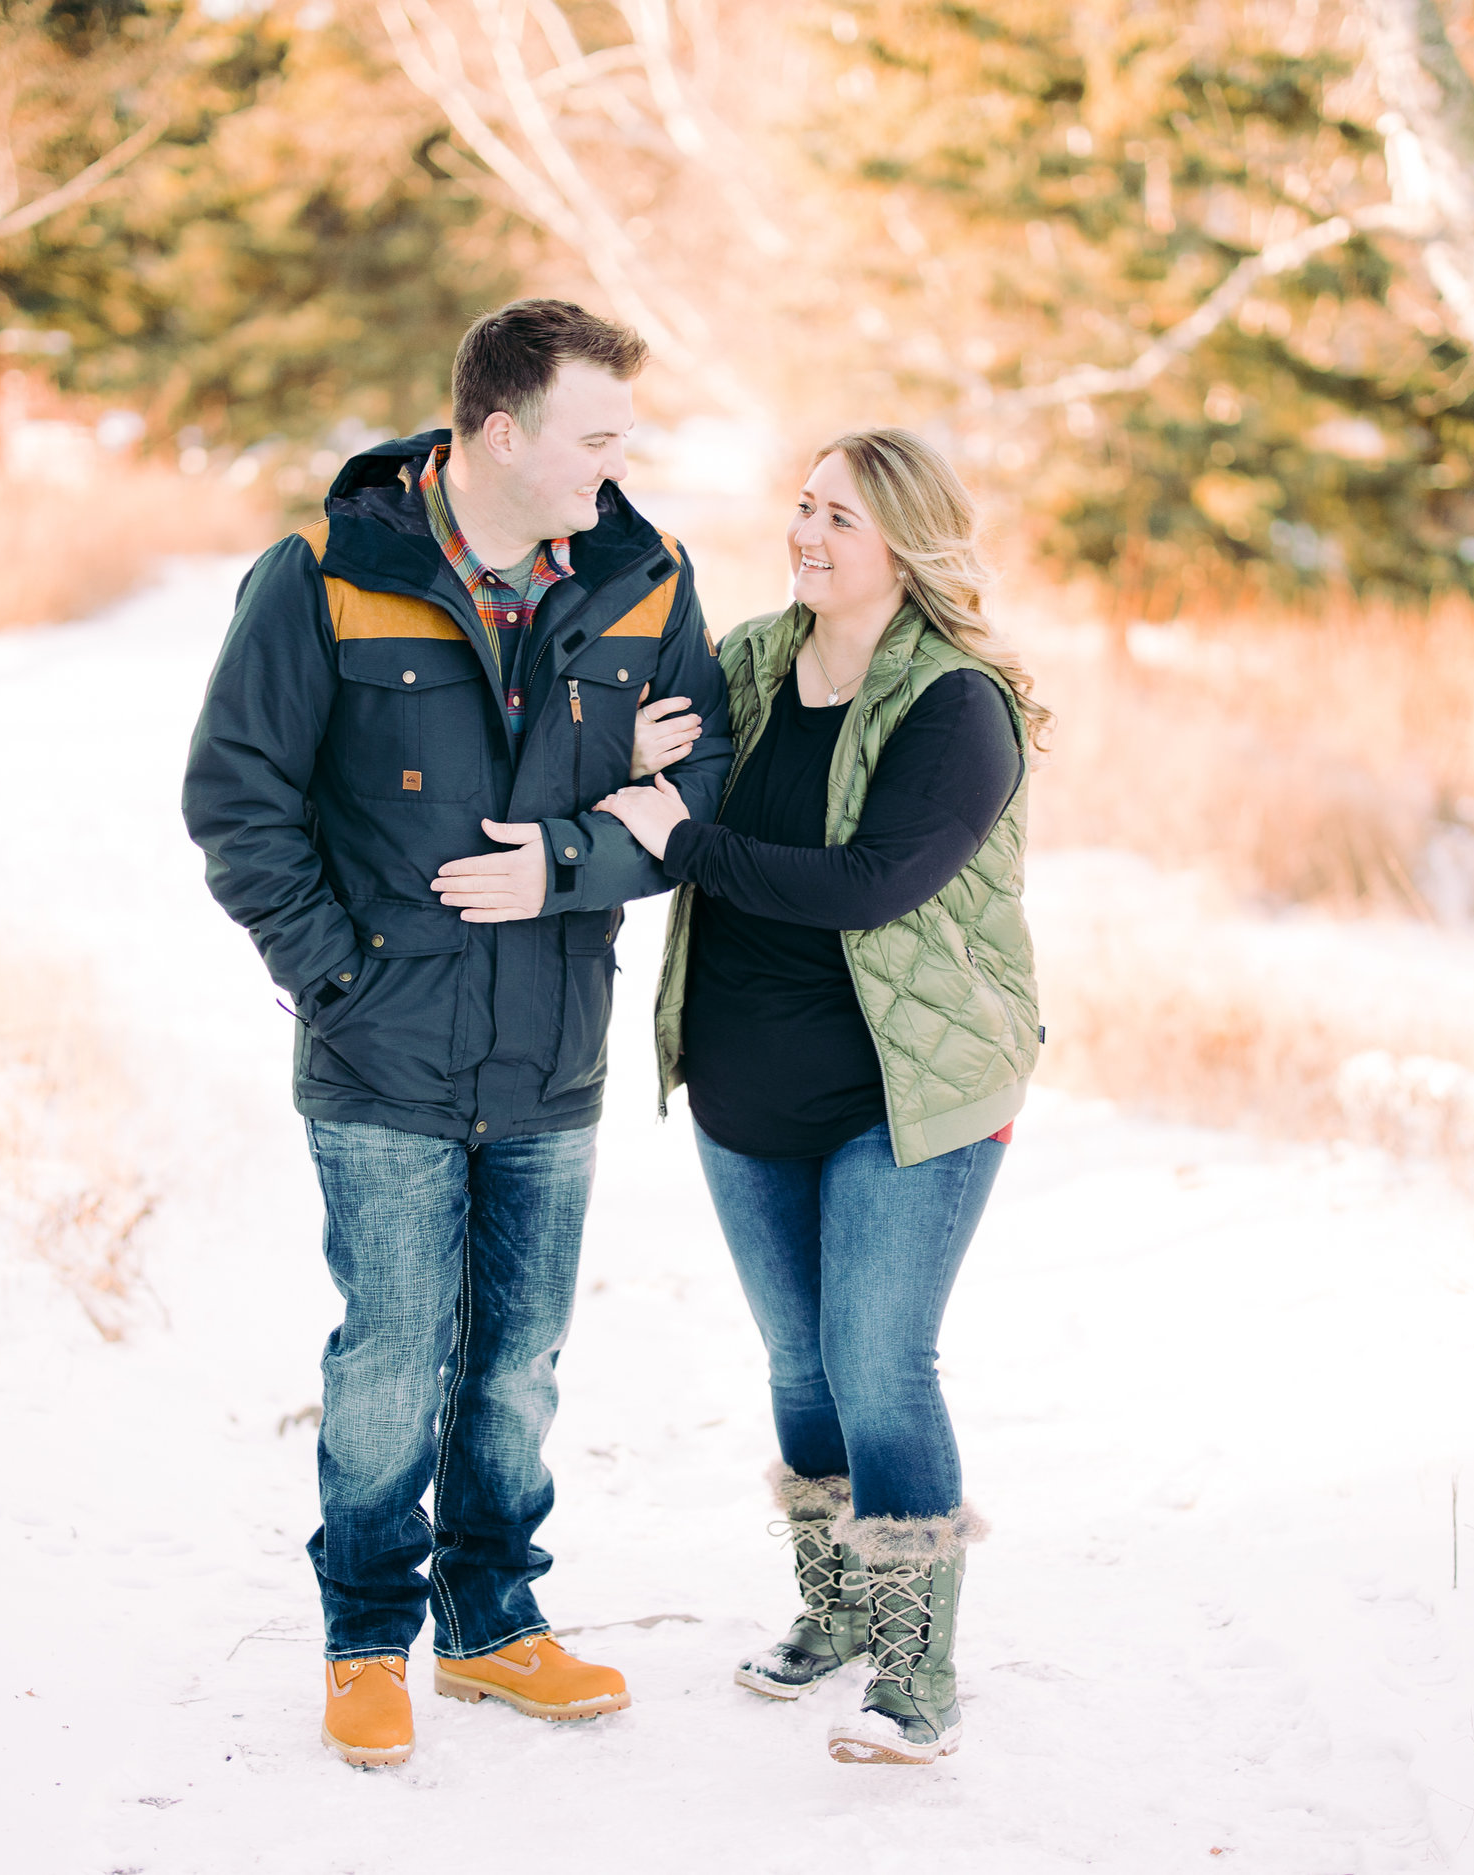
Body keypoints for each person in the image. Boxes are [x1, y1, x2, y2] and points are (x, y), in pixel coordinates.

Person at [183, 299, 732, 1769]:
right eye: (595, 435)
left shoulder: (641, 576)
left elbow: (705, 788)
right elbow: (236, 799)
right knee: (393, 1354)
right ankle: (367, 1641)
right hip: (381, 1052)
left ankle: (495, 1630)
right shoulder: (323, 578)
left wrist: (573, 861)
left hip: (553, 1045)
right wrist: (336, 979)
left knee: (519, 1365)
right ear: (500, 432)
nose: (621, 462)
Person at [596, 427, 1045, 1767]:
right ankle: (837, 1612)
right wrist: (631, 754)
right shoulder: (746, 662)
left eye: (839, 517)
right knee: (800, 1366)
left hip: (906, 1099)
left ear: (906, 543)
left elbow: (871, 884)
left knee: (879, 1366)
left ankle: (917, 1667)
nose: (807, 534)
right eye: (803, 507)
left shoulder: (957, 704)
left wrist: (686, 838)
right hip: (743, 1087)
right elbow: (646, 790)